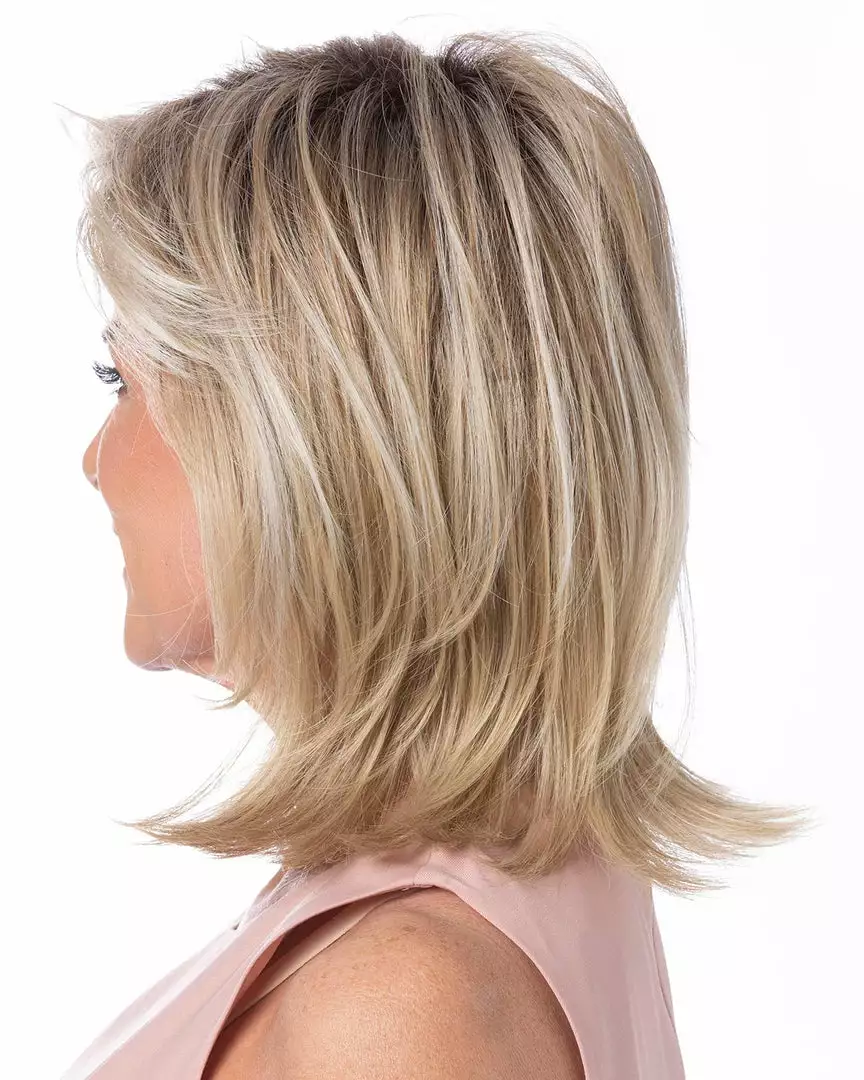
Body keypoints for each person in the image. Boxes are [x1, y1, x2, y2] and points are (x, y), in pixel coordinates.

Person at [64, 28, 812, 1079]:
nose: (94, 461)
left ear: (301, 429)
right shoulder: (501, 880)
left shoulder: (400, 1004)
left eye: (124, 382)